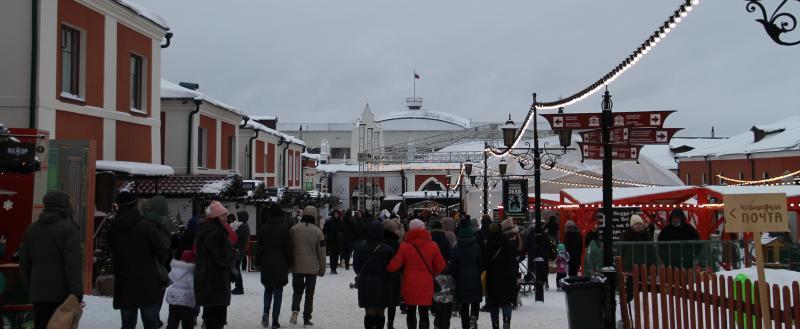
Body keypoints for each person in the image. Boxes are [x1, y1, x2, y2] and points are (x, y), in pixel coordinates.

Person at [18, 191, 83, 329]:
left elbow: (24, 263)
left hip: (38, 293)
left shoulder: (32, 229)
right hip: (62, 294)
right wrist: (77, 293)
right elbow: (72, 264)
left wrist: (30, 288)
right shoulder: (69, 229)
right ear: (64, 205)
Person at [106, 190, 170, 329]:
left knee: (128, 324)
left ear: (119, 206)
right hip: (147, 283)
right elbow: (163, 252)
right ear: (134, 205)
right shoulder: (146, 226)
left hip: (124, 284)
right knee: (150, 323)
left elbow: (113, 252)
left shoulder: (112, 229)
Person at [387, 219, 446, 329]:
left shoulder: (405, 246)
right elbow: (441, 265)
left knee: (411, 311)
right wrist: (432, 273)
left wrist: (387, 268)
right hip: (426, 284)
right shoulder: (433, 246)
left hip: (410, 284)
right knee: (424, 313)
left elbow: (393, 265)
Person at [194, 201, 238, 329]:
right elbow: (223, 258)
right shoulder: (217, 233)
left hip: (206, 279)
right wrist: (234, 254)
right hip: (216, 282)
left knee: (211, 317)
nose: (225, 217)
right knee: (217, 320)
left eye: (225, 215)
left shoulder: (205, 230)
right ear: (215, 217)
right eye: (222, 215)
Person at [254, 204, 293, 328]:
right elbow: (288, 248)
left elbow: (259, 247)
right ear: (280, 214)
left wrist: (257, 262)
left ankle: (266, 312)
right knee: (278, 292)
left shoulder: (263, 228)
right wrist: (290, 263)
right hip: (281, 264)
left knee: (268, 289)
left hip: (266, 263)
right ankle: (275, 320)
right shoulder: (284, 228)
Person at [354, 221, 396, 329]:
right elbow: (393, 267)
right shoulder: (387, 249)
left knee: (369, 311)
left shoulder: (361, 247)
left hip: (366, 283)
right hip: (383, 283)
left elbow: (356, 267)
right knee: (380, 310)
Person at [289, 206, 327, 326]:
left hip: (297, 266)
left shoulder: (294, 229)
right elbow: (322, 252)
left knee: (297, 291)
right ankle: (306, 317)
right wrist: (322, 268)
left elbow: (289, 248)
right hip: (311, 268)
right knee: (309, 294)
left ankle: (295, 311)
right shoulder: (318, 232)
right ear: (315, 216)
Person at [482, 223, 518, 329]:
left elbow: (485, 262)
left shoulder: (488, 244)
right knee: (506, 301)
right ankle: (506, 321)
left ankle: (495, 323)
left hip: (493, 277)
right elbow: (513, 261)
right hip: (507, 277)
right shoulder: (507, 243)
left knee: (494, 303)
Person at [451, 220, 482, 329]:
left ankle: (465, 324)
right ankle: (474, 316)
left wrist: (456, 276)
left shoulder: (455, 249)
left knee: (464, 303)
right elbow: (481, 263)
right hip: (474, 276)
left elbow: (453, 267)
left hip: (461, 278)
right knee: (475, 299)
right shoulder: (477, 247)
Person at [165, 250, 197, 329]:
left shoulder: (176, 268)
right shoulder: (192, 271)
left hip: (173, 299)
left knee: (172, 322)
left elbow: (169, 278)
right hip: (186, 301)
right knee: (188, 323)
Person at [382, 218, 405, 329]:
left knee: (380, 300)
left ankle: (380, 322)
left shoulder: (380, 242)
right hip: (394, 275)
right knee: (392, 302)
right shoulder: (397, 243)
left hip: (381, 274)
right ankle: (390, 323)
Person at [231, 210, 251, 295]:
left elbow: (234, 236)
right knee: (236, 268)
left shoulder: (243, 226)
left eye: (239, 216)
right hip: (240, 250)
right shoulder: (244, 226)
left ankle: (239, 287)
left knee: (236, 269)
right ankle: (238, 286)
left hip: (238, 251)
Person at [323, 209, 344, 274]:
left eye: (337, 214)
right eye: (335, 214)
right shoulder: (329, 222)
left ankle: (334, 268)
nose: (336, 215)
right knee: (332, 255)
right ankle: (332, 268)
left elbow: (344, 231)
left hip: (338, 241)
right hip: (331, 241)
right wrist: (328, 235)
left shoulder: (341, 222)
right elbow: (324, 230)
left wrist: (341, 234)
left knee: (337, 255)